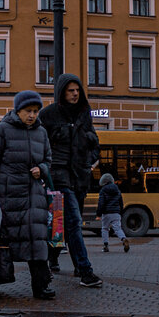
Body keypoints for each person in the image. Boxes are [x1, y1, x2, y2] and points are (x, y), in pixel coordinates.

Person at [0, 91, 55, 299]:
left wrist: (42, 169)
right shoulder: (3, 130)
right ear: (18, 110)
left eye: (35, 111)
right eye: (28, 111)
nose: (32, 115)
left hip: (33, 196)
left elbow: (48, 159)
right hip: (8, 196)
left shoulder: (42, 132)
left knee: (37, 240)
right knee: (2, 240)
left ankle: (41, 285)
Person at [38, 73, 103, 287]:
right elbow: (40, 145)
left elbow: (95, 143)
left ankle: (54, 258)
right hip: (58, 178)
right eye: (70, 90)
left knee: (62, 223)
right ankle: (85, 270)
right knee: (72, 222)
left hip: (80, 177)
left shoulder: (85, 113)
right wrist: (45, 169)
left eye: (77, 90)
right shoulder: (48, 115)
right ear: (61, 92)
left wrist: (90, 161)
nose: (75, 94)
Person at [96, 173, 129, 253]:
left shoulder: (103, 190)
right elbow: (121, 202)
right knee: (118, 228)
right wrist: (120, 211)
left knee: (105, 228)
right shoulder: (117, 190)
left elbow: (101, 203)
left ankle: (106, 246)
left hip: (106, 213)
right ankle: (123, 239)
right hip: (116, 213)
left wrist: (98, 214)